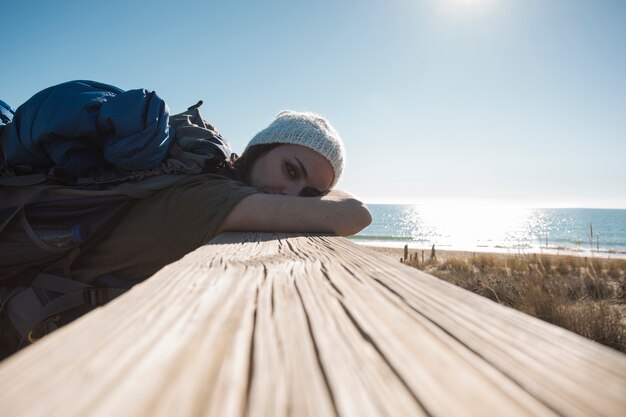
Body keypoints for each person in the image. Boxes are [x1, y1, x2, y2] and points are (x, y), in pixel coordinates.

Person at [68, 109, 372, 284]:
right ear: (260, 150)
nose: (292, 194)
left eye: (309, 194)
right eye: (291, 170)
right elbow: (356, 215)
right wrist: (320, 198)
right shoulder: (208, 194)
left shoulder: (219, 182)